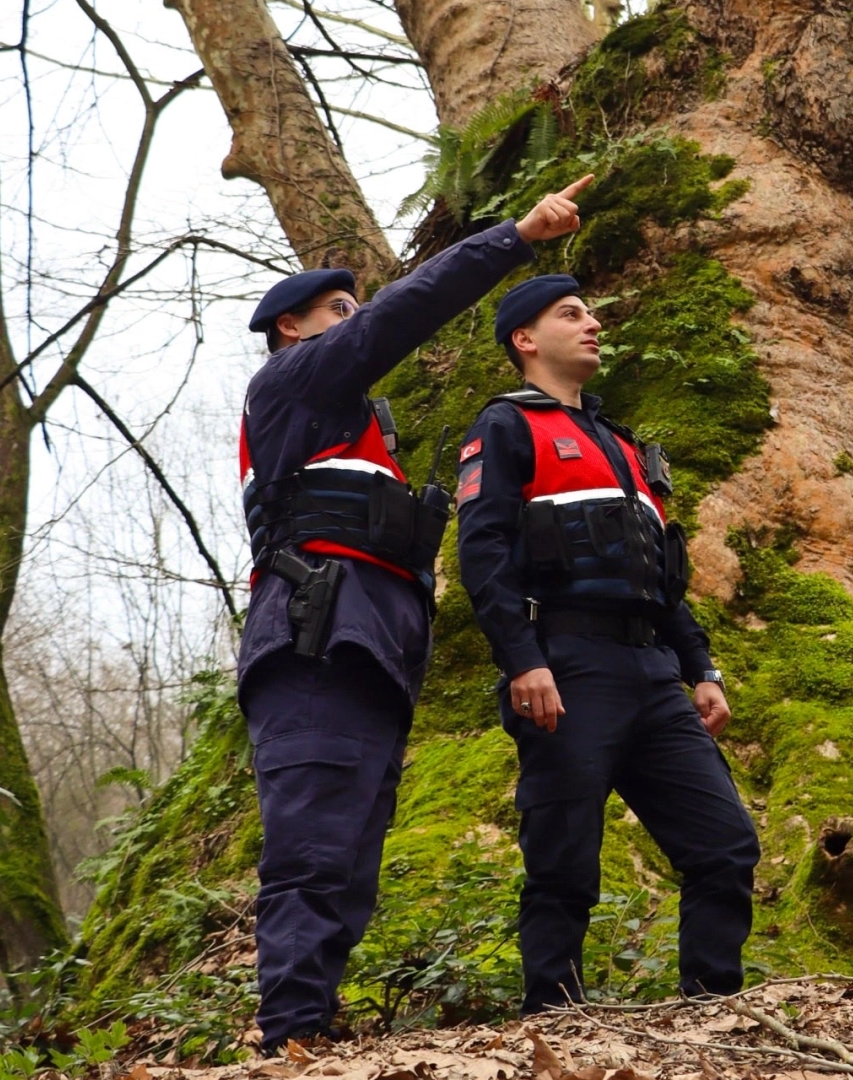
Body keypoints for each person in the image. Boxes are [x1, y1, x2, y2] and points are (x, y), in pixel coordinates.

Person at [236, 175, 593, 1054]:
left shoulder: (347, 426)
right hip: (315, 644)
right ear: (294, 326)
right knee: (315, 845)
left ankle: (309, 1028)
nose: (353, 322)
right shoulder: (293, 385)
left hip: (366, 653)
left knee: (350, 858)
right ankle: (290, 1036)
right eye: (338, 310)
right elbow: (405, 314)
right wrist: (516, 236)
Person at [456, 274, 761, 1015]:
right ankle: (554, 1021)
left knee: (725, 845)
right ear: (524, 340)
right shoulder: (505, 428)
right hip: (567, 664)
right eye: (571, 314)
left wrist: (703, 669)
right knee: (563, 860)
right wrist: (523, 658)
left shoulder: (622, 445)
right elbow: (483, 553)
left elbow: (664, 577)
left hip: (654, 672)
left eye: (591, 312)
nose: (592, 323)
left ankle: (711, 1010)